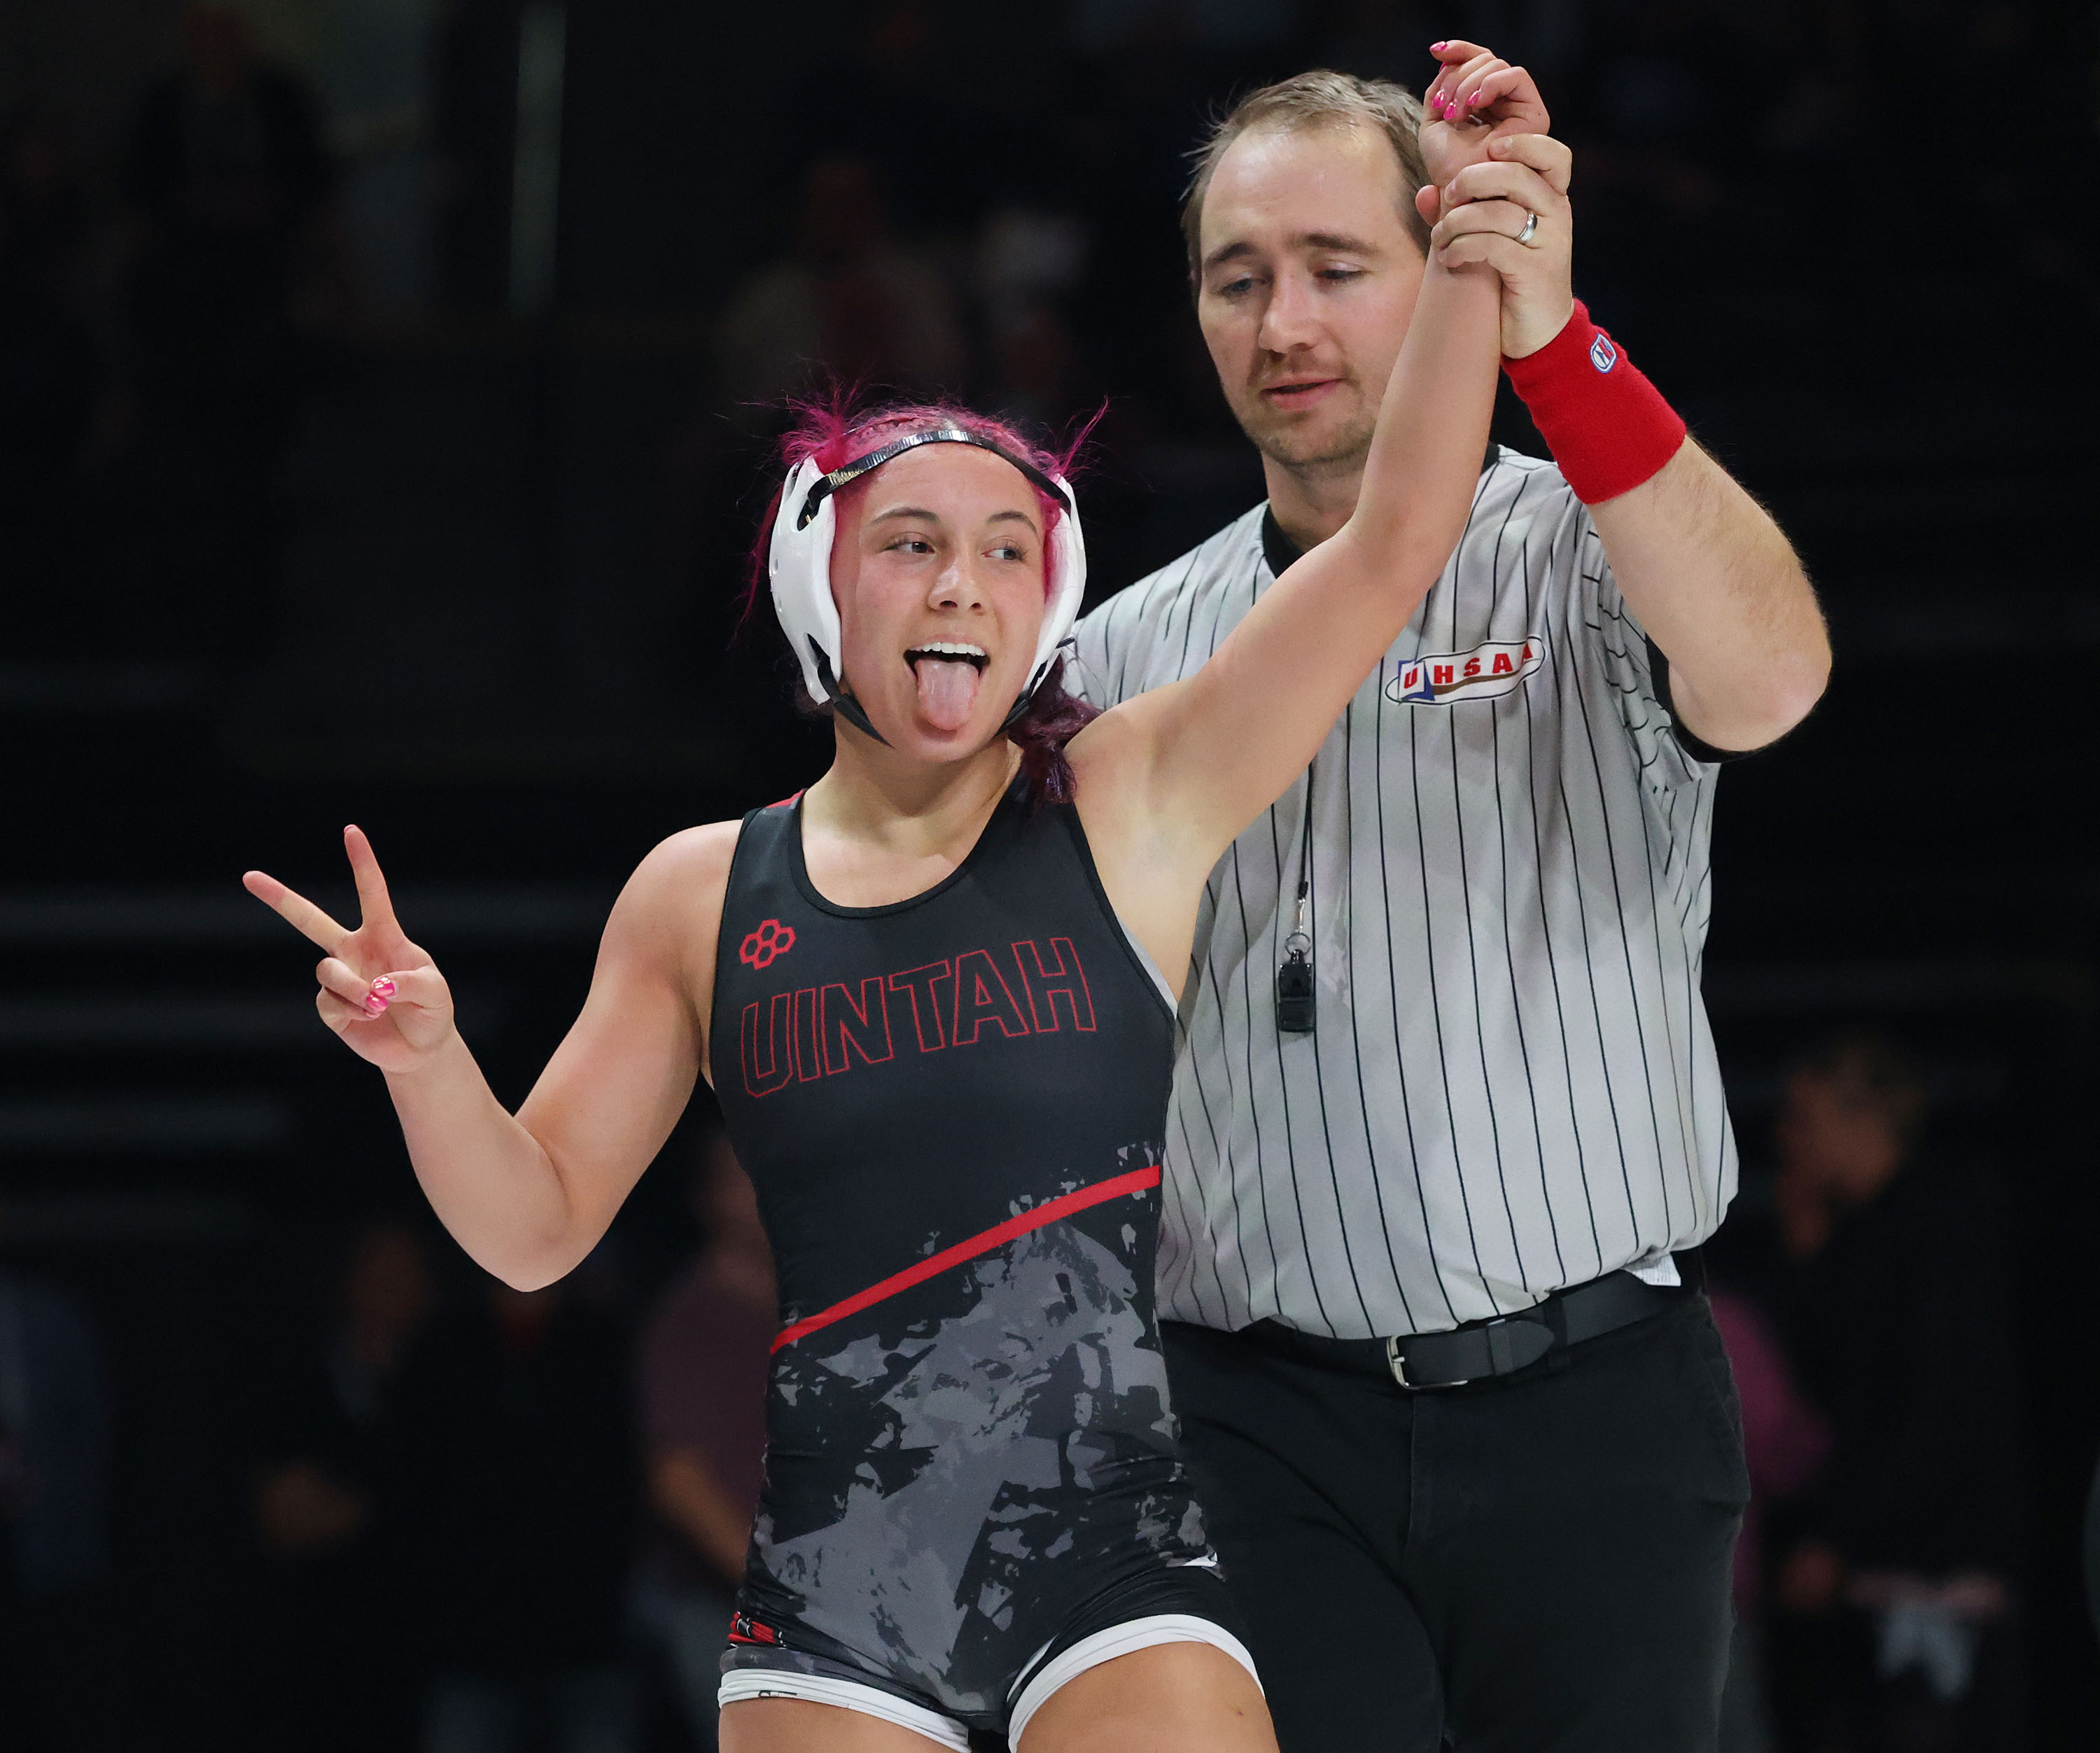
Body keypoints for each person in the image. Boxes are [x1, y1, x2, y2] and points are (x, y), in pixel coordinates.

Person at [241, 166, 1508, 1748]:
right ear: (814, 587)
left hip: (1114, 1554)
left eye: (1002, 548)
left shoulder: (1131, 797)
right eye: (909, 542)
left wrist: (1478, 256)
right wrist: (426, 1064)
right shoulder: (701, 890)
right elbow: (532, 1229)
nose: (960, 581)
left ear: (1045, 603)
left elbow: (1392, 543)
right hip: (841, 1588)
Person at [1067, 46, 1830, 1753]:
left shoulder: (1581, 541)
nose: (1283, 325)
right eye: (1237, 279)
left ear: (1446, 275)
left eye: (1336, 269)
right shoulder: (1114, 654)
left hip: (1591, 1402)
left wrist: (1554, 341)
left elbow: (1775, 677)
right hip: (1252, 1420)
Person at [1753, 1033, 2025, 1752]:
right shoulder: (1857, 1239)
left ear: (1860, 1119)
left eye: (1803, 1117)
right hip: (1877, 1577)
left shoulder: (1934, 1232)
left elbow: (1936, 1410)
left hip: (1934, 1581)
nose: (1787, 1138)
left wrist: (1838, 1537)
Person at [633, 1129, 777, 1749]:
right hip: (730, 1610)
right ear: (707, 1197)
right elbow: (677, 1480)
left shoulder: (823, 1302)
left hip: (839, 1609)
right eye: (738, 1175)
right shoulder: (687, 1319)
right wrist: (791, 1594)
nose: (762, 1187)